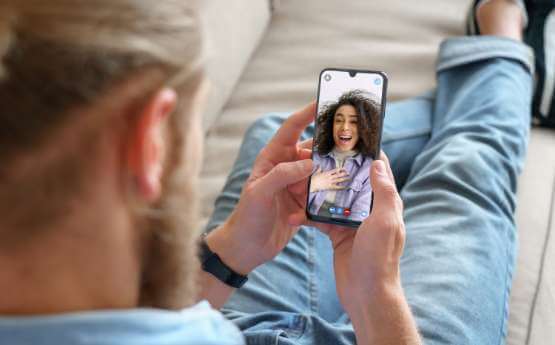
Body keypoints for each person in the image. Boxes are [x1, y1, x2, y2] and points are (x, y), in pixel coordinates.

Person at [0, 1, 550, 345]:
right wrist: (377, 296)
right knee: (466, 167)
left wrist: (228, 255)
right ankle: (497, 42)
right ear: (148, 145)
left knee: (280, 140)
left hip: (225, 316)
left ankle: (477, 83)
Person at [308, 90, 380, 221]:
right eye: (339, 120)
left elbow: (359, 216)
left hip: (342, 233)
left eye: (354, 122)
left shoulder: (370, 167)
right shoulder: (313, 157)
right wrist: (313, 184)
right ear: (331, 125)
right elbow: (294, 205)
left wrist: (335, 211)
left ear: (365, 128)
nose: (344, 127)